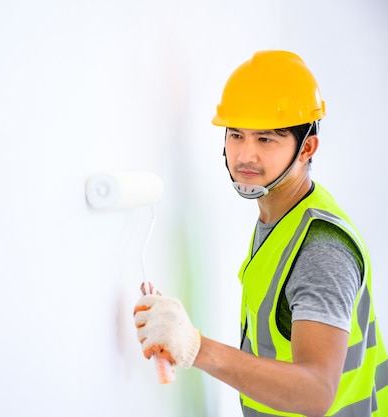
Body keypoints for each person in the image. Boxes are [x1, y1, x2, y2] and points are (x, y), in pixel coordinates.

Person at [133, 50, 388, 417]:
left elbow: (316, 393)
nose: (245, 156)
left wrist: (195, 346)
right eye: (236, 135)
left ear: (307, 148)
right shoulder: (284, 213)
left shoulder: (320, 248)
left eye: (266, 139)